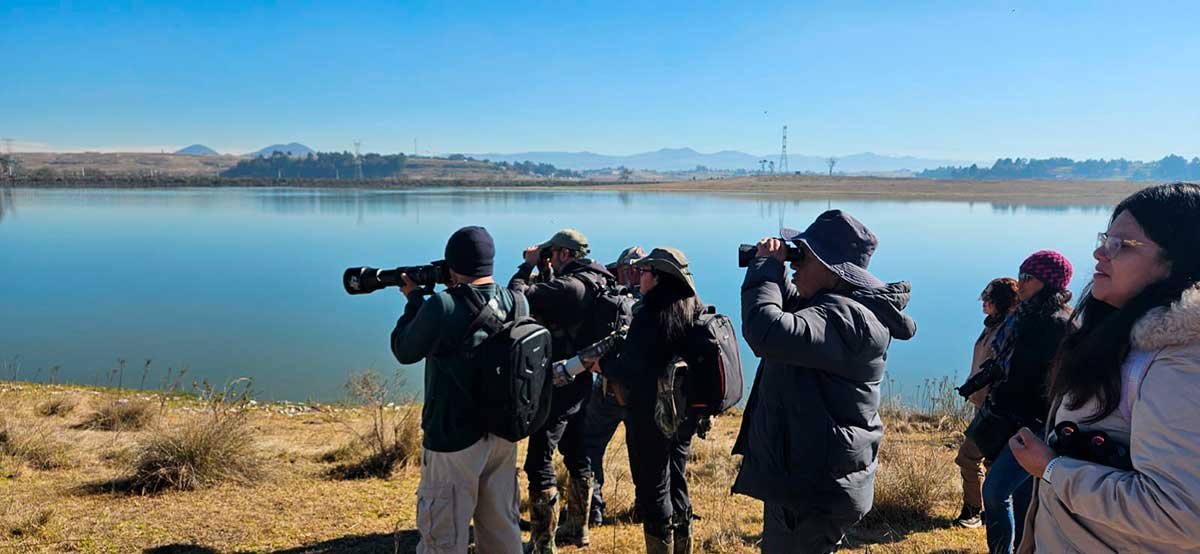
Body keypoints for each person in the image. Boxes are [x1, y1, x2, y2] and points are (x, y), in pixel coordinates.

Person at [1011, 183, 1200, 553]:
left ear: (1176, 261)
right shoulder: (1125, 340)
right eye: (1104, 238)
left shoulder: (1178, 363)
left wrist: (1052, 469)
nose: (1099, 253)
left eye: (1121, 245)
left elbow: (1181, 515)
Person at [732, 210, 917, 553]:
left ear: (832, 268)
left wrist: (766, 269)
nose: (796, 262)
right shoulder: (835, 306)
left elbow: (768, 331)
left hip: (815, 484)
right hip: (811, 473)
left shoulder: (847, 319)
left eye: (803, 254)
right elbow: (795, 313)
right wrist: (778, 267)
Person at [390, 226, 522, 554]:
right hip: (503, 434)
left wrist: (413, 302)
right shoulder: (516, 301)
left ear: (452, 265)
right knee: (502, 532)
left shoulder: (443, 305)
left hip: (453, 439)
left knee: (443, 538)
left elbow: (404, 349)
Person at [510, 229, 616, 552]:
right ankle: (577, 529)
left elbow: (516, 300)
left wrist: (526, 266)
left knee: (539, 459)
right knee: (577, 451)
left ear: (566, 255)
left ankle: (542, 544)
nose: (550, 259)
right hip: (581, 378)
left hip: (557, 383)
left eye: (553, 254)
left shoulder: (568, 287)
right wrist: (545, 267)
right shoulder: (598, 279)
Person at [599, 247, 703, 553]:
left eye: (643, 272)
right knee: (677, 477)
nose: (637, 276)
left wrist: (602, 365)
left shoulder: (649, 315)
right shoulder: (691, 308)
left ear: (658, 277)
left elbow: (630, 367)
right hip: (683, 413)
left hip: (650, 416)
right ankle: (683, 546)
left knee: (653, 487)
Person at [978, 251, 1073, 554]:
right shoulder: (1023, 317)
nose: (1020, 283)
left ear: (1049, 283)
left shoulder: (1060, 326)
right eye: (1020, 274)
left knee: (993, 492)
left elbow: (1061, 385)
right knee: (1020, 495)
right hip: (1012, 420)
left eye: (1028, 277)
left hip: (1036, 426)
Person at [585, 246, 645, 526]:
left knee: (589, 447)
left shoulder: (612, 302)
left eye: (620, 271)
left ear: (628, 271)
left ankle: (592, 510)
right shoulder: (657, 302)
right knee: (646, 453)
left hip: (609, 389)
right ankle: (645, 508)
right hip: (644, 394)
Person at [954, 277, 1019, 529]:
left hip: (996, 408)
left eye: (988, 296)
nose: (983, 300)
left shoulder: (1008, 331)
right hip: (986, 405)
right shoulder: (994, 325)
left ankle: (974, 511)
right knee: (991, 461)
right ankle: (989, 513)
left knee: (968, 458)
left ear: (1000, 301)